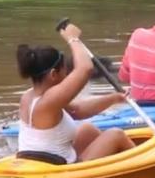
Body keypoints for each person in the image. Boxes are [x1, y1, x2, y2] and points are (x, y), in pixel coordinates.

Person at [16, 24, 134, 164]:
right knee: (116, 135)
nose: (67, 75)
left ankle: (112, 167)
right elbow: (85, 69)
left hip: (47, 161)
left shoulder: (29, 96)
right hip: (59, 169)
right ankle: (141, 167)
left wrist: (115, 98)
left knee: (87, 129)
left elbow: (76, 111)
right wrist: (73, 39)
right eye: (65, 70)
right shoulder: (49, 100)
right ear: (54, 74)